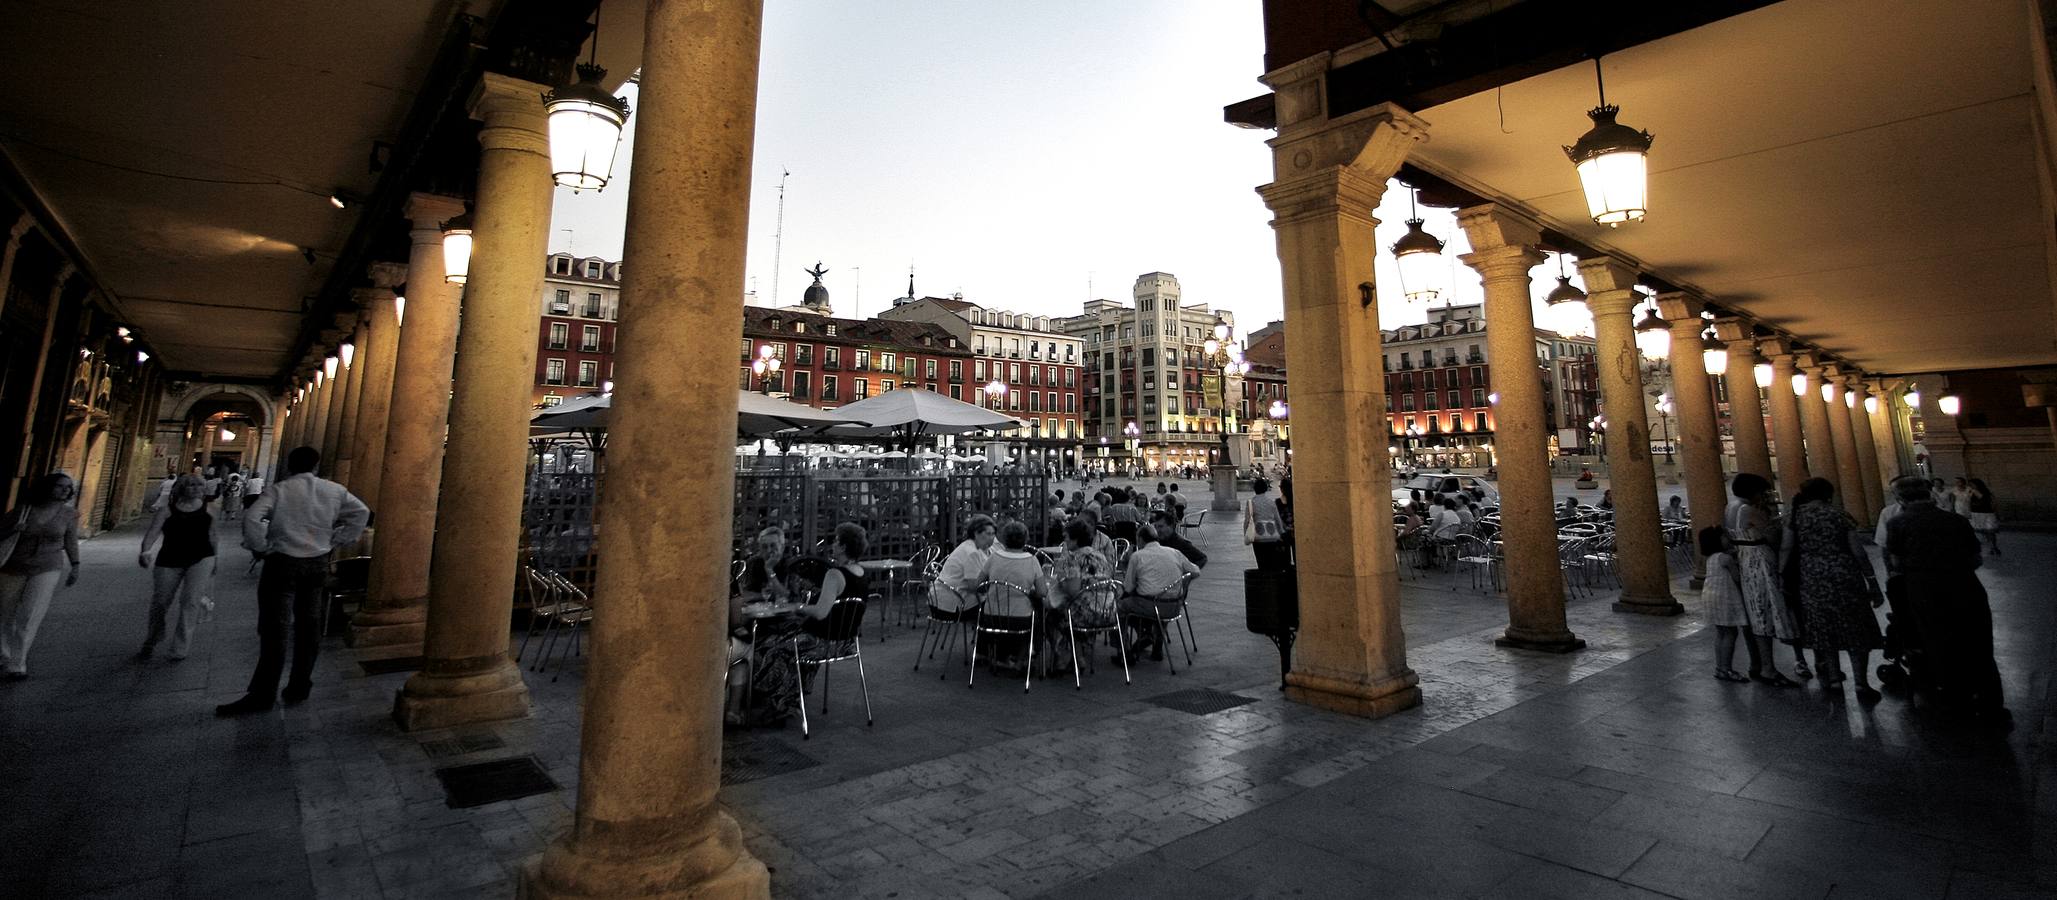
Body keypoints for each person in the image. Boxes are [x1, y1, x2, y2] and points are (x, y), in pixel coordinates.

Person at [217, 447, 369, 716]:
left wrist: (260, 546)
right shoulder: (333, 490)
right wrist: (339, 538)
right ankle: (300, 685)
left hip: (282, 562)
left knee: (275, 628)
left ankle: (263, 694)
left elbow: (252, 518)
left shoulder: (280, 490)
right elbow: (361, 512)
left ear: (289, 465)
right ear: (316, 465)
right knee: (309, 627)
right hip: (317, 563)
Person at [1884, 476, 2008, 728]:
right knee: (1979, 643)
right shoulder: (1956, 520)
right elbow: (1975, 559)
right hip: (1966, 587)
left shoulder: (1898, 523)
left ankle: (1955, 701)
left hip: (1925, 591)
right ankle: (1991, 701)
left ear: (1900, 499)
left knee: (1939, 642)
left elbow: (1895, 563)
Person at [746, 523, 872, 726]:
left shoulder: (835, 575)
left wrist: (800, 607)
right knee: (786, 640)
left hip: (822, 642)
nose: (833, 544)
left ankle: (780, 705)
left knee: (775, 649)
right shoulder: (861, 573)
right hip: (847, 643)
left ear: (843, 546)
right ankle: (791, 699)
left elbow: (820, 613)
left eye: (836, 541)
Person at [1782, 477, 1884, 703]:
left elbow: (1786, 548)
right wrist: (1872, 581)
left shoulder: (1794, 518)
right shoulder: (1839, 515)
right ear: (1829, 493)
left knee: (1823, 628)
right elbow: (1858, 552)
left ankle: (1835, 679)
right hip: (1844, 575)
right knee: (1855, 627)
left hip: (1812, 577)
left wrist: (1781, 577)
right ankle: (1861, 683)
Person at [0, 473, 82, 680]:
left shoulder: (69, 514)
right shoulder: (23, 510)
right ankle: (4, 652)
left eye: (68, 487)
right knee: (4, 613)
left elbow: (70, 540)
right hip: (13, 566)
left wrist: (75, 564)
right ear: (47, 488)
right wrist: (14, 529)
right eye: (60, 486)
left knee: (30, 614)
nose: (66, 490)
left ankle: (17, 663)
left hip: (48, 566)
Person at [136, 474, 217, 662]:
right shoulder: (167, 510)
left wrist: (216, 560)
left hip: (202, 558)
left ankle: (180, 647)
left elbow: (213, 535)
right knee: (161, 602)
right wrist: (145, 551)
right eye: (191, 485)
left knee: (190, 602)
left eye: (199, 485)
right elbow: (153, 532)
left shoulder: (210, 509)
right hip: (170, 558)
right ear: (181, 488)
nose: (196, 488)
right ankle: (153, 637)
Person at [1727, 473, 1798, 685]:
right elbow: (1773, 537)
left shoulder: (1729, 507)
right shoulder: (1749, 510)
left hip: (1742, 559)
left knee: (1752, 614)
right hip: (1759, 561)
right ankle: (1768, 668)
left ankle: (1756, 663)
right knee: (1763, 612)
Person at [977, 520, 1049, 674]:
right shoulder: (1032, 560)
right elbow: (1043, 592)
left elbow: (979, 583)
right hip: (1020, 618)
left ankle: (1001, 656)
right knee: (1038, 608)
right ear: (1025, 539)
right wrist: (1027, 590)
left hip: (992, 616)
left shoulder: (994, 558)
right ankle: (1027, 655)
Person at [1119, 524, 1199, 662]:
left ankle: (1125, 650)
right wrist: (1184, 584)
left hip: (1151, 606)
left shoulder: (1138, 556)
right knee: (1158, 599)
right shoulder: (1174, 552)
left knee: (1121, 607)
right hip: (1174, 605)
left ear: (1141, 539)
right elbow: (1196, 571)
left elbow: (1128, 587)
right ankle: (1156, 642)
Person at [1700, 526, 1755, 684]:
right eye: (1725, 537)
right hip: (1724, 597)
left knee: (1721, 633)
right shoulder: (1726, 558)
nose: (1728, 539)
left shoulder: (1711, 558)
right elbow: (1737, 578)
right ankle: (1727, 669)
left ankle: (1720, 667)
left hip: (1710, 596)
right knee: (1731, 633)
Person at [932, 515, 994, 614]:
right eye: (988, 534)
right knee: (998, 604)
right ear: (976, 534)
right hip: (952, 603)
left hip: (942, 599)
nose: (992, 538)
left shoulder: (973, 546)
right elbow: (974, 587)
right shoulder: (972, 552)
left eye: (993, 534)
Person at [738, 525, 793, 602]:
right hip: (757, 610)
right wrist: (768, 596)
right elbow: (745, 594)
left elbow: (786, 596)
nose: (769, 550)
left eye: (773, 546)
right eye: (764, 547)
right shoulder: (753, 562)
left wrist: (769, 569)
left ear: (782, 547)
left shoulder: (791, 564)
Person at [1244, 478, 1289, 570]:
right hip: (1272, 536)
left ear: (1255, 489)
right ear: (1265, 488)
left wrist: (1246, 534)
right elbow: (1277, 519)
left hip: (1258, 537)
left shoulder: (1251, 503)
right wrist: (1281, 533)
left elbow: (1247, 521)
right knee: (1271, 563)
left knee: (1261, 563)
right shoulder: (1271, 502)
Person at [1964, 478, 1999, 556]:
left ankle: (1994, 546)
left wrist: (1974, 491)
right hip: (1976, 513)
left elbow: (1983, 498)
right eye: (1970, 484)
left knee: (1990, 530)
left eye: (1972, 484)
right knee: (1983, 531)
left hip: (1986, 513)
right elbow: (1968, 501)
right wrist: (1969, 512)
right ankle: (1989, 546)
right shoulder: (1970, 492)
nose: (1971, 486)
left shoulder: (1985, 492)